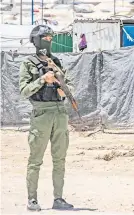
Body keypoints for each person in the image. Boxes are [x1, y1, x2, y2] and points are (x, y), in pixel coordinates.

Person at [19, 25, 74, 211]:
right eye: (45, 38)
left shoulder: (56, 61)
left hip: (60, 113)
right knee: (36, 159)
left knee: (60, 159)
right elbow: (23, 90)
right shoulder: (28, 63)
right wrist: (43, 79)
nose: (48, 41)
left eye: (50, 38)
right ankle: (32, 199)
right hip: (41, 113)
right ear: (36, 40)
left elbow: (70, 85)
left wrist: (63, 89)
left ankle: (58, 198)